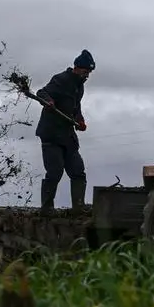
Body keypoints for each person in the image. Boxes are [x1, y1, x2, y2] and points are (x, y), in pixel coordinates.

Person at [34, 49, 95, 215]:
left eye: (89, 72)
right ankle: (47, 209)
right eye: (85, 71)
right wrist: (49, 101)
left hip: (68, 136)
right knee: (55, 172)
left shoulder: (79, 87)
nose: (87, 75)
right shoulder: (61, 79)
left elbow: (76, 107)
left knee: (78, 172)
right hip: (52, 134)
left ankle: (79, 207)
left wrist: (80, 120)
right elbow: (41, 93)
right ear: (76, 67)